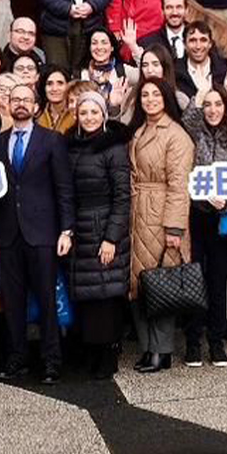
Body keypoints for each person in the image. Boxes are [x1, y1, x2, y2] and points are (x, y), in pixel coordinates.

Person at [0, 82, 75, 383]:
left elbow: (64, 188)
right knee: (12, 302)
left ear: (36, 106)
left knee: (47, 300)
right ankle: (17, 358)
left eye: (26, 99)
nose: (21, 104)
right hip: (7, 233)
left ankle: (51, 361)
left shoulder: (52, 140)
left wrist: (66, 230)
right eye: (15, 99)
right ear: (8, 105)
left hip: (43, 233)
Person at [127, 77, 193, 374]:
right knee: (139, 285)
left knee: (161, 285)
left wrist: (175, 228)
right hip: (137, 213)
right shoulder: (139, 129)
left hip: (161, 215)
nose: (150, 99)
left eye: (156, 94)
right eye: (145, 95)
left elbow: (179, 186)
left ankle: (162, 351)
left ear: (166, 98)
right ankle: (148, 348)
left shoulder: (176, 135)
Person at [183, 88, 227, 367]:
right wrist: (198, 96)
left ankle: (216, 342)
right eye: (208, 105)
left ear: (226, 106)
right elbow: (188, 118)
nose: (213, 110)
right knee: (195, 279)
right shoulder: (194, 130)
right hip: (197, 215)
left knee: (217, 280)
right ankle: (192, 342)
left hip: (225, 218)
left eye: (218, 104)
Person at [66, 91, 131, 379]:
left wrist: (111, 238)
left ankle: (107, 356)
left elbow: (122, 196)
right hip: (79, 228)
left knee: (106, 297)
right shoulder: (71, 145)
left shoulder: (113, 147)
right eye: (84, 112)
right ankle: (89, 354)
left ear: (104, 115)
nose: (89, 117)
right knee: (87, 297)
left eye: (94, 112)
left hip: (104, 227)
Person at [175, 21, 227, 101]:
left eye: (203, 40)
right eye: (193, 40)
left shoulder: (224, 70)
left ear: (210, 44)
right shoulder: (175, 73)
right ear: (184, 44)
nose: (198, 46)